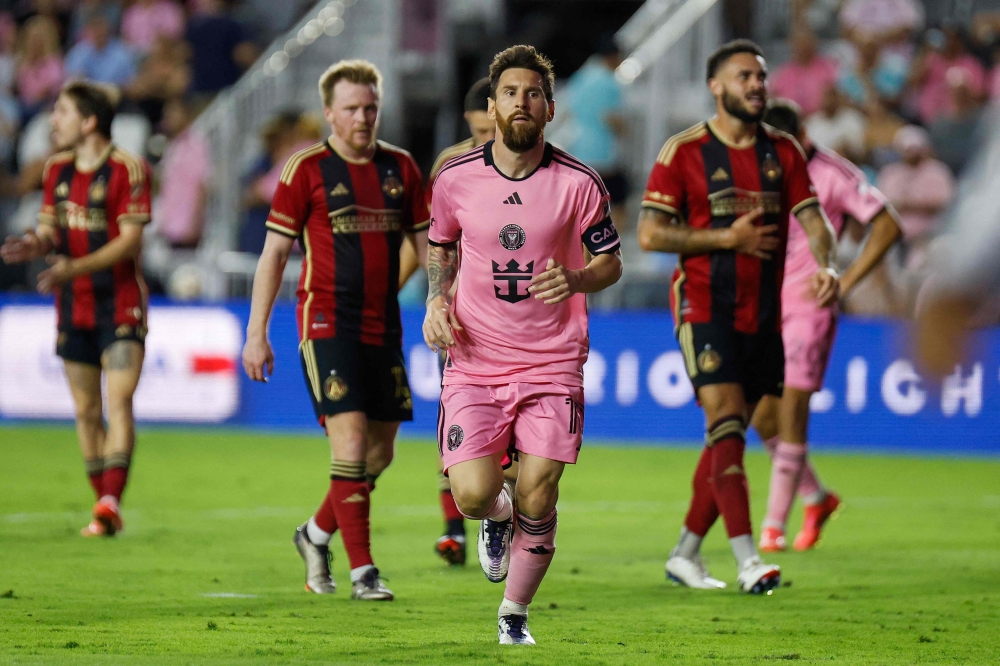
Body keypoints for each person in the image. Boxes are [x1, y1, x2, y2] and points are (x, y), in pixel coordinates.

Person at [424, 45, 623, 645]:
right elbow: (440, 246)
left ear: (551, 109)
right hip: (475, 358)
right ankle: (497, 518)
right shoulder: (455, 179)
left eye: (532, 94)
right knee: (472, 494)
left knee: (541, 487)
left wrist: (581, 278)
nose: (521, 103)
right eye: (510, 93)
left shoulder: (580, 183)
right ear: (492, 105)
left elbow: (610, 261)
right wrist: (437, 300)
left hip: (553, 359)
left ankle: (514, 616)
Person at [637, 39, 838, 594]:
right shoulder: (684, 152)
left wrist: (830, 267)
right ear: (716, 86)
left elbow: (815, 221)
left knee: (728, 437)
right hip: (704, 307)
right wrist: (726, 237)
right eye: (744, 76)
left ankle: (684, 554)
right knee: (725, 418)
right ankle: (750, 560)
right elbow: (650, 234)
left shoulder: (784, 152)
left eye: (762, 76)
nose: (756, 85)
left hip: (764, 316)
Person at [241, 59, 429, 601]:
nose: (363, 118)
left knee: (380, 451)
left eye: (371, 107)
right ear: (329, 113)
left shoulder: (401, 168)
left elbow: (427, 247)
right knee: (347, 440)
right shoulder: (305, 169)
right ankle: (364, 572)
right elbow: (275, 253)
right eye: (351, 109)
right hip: (325, 322)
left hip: (383, 325)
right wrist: (257, 332)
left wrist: (433, 297)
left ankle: (315, 534)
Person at [0, 80, 152, 537]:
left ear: (88, 122)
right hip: (73, 304)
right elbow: (49, 226)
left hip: (120, 302)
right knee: (86, 410)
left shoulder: (128, 168)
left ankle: (110, 501)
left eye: (61, 111)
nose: (53, 120)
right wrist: (36, 243)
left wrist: (75, 266)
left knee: (118, 400)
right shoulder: (56, 170)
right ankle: (101, 505)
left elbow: (130, 241)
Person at [749, 99, 902, 552]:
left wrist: (845, 280)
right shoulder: (758, 168)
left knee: (793, 408)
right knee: (761, 415)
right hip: (764, 305)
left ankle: (773, 528)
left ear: (803, 137)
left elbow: (888, 224)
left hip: (810, 304)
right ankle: (816, 497)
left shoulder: (834, 173)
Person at [398, 76, 495, 566]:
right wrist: (433, 299)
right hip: (460, 315)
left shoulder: (538, 167)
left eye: (491, 131)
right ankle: (454, 528)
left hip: (519, 320)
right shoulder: (450, 166)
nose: (486, 142)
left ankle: (502, 518)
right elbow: (431, 240)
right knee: (455, 416)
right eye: (477, 132)